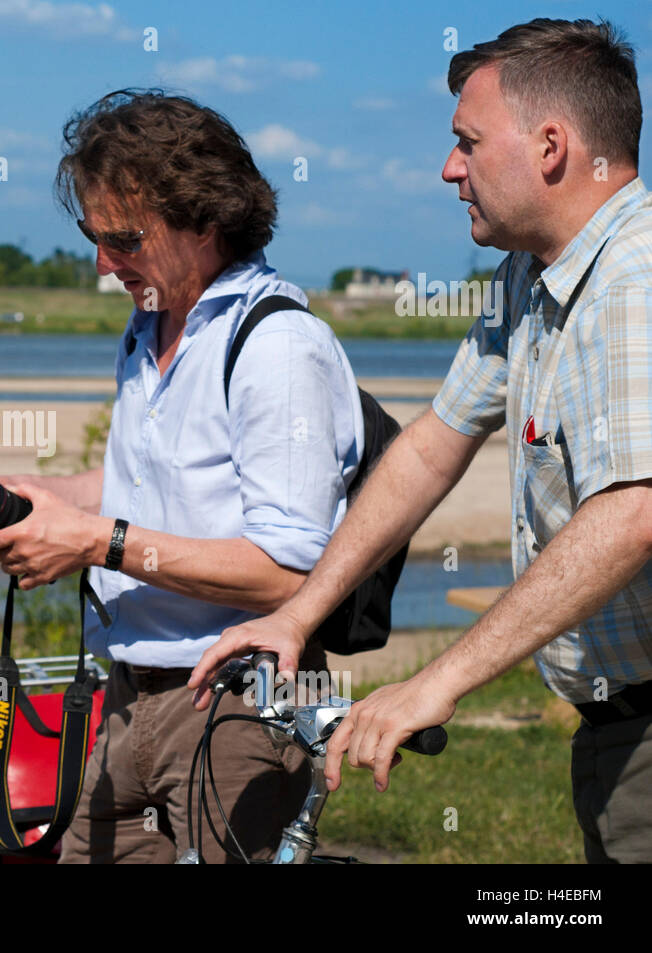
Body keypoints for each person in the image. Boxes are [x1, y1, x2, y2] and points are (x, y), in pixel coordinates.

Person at [190, 17, 652, 863]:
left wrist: (433, 683)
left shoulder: (632, 281)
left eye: (467, 143)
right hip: (615, 725)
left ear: (551, 146)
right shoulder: (531, 274)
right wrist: (299, 613)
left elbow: (631, 514)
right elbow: (434, 442)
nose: (450, 169)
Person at [0, 90, 366, 863]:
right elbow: (141, 492)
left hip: (240, 707)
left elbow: (293, 573)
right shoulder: (151, 327)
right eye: (92, 236)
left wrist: (95, 542)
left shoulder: (277, 346)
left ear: (207, 221)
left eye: (125, 237)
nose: (104, 263)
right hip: (129, 697)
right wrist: (25, 496)